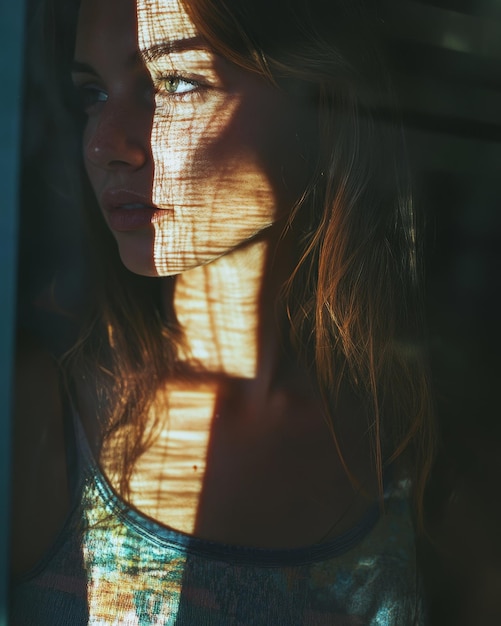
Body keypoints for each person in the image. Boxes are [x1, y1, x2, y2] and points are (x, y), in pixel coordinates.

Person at [10, 0, 435, 623]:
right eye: (92, 93)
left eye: (175, 83)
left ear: (318, 100)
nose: (104, 144)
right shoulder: (32, 417)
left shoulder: (420, 444)